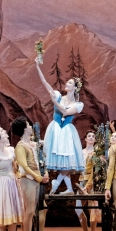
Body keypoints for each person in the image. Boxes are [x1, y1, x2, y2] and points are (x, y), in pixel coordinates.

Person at [35, 57, 84, 195]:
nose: (66, 83)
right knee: (63, 161)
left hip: (67, 131)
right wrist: (37, 66)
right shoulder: (57, 95)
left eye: (70, 83)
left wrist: (54, 103)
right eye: (67, 81)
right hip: (56, 128)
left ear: (75, 88)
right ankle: (68, 188)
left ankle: (57, 183)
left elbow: (65, 111)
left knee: (67, 160)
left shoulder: (78, 104)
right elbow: (45, 83)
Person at [12, 117, 49, 231]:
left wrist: (43, 174)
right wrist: (38, 177)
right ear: (24, 129)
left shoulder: (32, 144)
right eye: (28, 125)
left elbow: (39, 160)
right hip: (28, 180)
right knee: (29, 212)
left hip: (35, 179)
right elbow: (24, 166)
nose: (30, 126)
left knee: (32, 211)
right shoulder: (20, 146)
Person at [75, 130, 100, 231]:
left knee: (92, 209)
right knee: (77, 208)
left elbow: (97, 170)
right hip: (81, 180)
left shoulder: (96, 152)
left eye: (93, 136)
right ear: (85, 139)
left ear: (95, 139)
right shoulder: (81, 152)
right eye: (89, 136)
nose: (91, 138)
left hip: (92, 182)